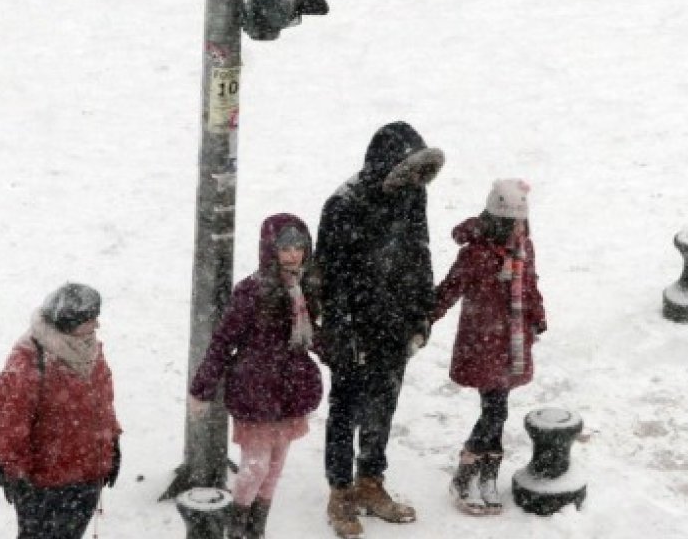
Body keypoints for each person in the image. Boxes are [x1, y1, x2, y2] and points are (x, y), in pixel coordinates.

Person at [314, 121, 445, 537]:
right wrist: (341, 333)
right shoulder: (343, 205)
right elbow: (328, 278)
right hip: (354, 327)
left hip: (395, 323)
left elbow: (420, 253)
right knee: (345, 410)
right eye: (408, 171)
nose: (414, 181)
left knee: (383, 406)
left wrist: (421, 314)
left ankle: (371, 481)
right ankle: (340, 490)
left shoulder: (413, 194)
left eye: (420, 173)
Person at [188, 213, 324, 539]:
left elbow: (314, 336)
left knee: (275, 468)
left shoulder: (304, 288)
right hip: (256, 390)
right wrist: (202, 388)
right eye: (285, 248)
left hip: (290, 390)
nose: (293, 255)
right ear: (270, 249)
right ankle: (236, 527)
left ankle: (256, 529)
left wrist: (345, 358)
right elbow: (224, 340)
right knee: (255, 467)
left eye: (299, 248)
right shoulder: (251, 291)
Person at [431, 179, 547, 516]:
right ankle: (467, 473)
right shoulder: (475, 254)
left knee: (497, 409)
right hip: (482, 342)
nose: (518, 228)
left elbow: (530, 286)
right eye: (511, 222)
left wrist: (538, 317)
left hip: (513, 342)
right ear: (496, 220)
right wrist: (422, 320)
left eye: (522, 221)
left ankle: (485, 473)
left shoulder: (525, 249)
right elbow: (449, 289)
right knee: (495, 410)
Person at [0, 283, 122, 539]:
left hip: (86, 475)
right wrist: (18, 478)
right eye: (90, 319)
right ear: (69, 322)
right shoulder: (29, 361)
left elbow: (102, 402)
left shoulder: (89, 350)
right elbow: (10, 428)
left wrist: (111, 443)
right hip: (45, 485)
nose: (97, 325)